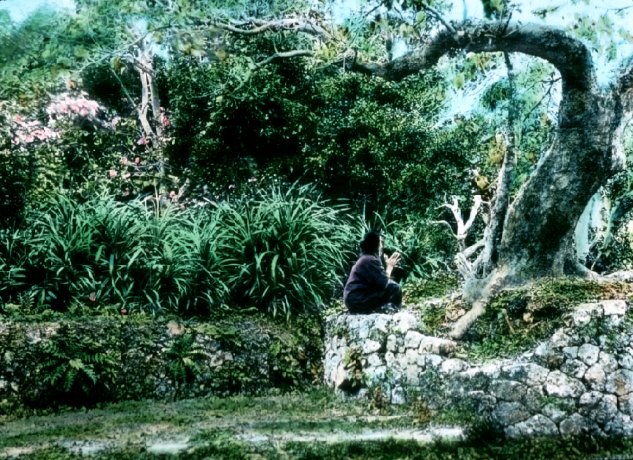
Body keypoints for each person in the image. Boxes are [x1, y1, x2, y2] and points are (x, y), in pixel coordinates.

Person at [343, 230, 402, 314]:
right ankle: (393, 313)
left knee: (391, 287)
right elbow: (384, 284)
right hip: (357, 299)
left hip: (354, 299)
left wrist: (385, 264)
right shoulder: (370, 260)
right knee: (395, 288)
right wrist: (390, 266)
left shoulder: (366, 258)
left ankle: (387, 309)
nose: (382, 246)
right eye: (381, 243)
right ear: (375, 245)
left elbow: (377, 282)